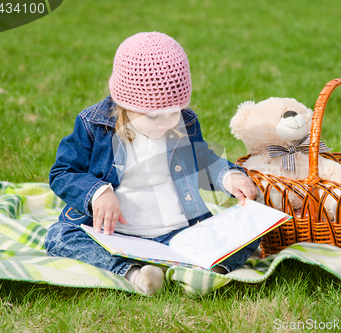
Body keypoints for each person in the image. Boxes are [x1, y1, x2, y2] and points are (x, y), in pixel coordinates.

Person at [45, 32, 259, 295]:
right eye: (153, 116)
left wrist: (229, 177)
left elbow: (202, 162)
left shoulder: (185, 123)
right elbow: (63, 172)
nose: (165, 123)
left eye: (173, 112)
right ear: (124, 104)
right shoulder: (94, 126)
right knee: (59, 236)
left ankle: (204, 274)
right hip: (115, 236)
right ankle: (136, 274)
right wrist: (98, 193)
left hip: (179, 233)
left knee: (250, 230)